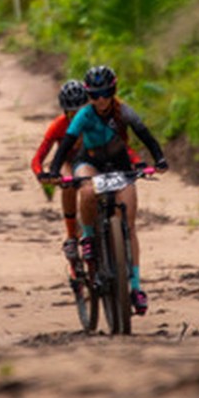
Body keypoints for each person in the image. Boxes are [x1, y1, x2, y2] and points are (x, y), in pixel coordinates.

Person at [43, 65, 169, 317]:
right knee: (87, 192)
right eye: (95, 95)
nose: (100, 100)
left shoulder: (123, 111)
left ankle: (135, 286)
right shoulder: (84, 115)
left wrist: (159, 159)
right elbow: (66, 142)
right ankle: (88, 237)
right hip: (89, 163)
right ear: (89, 96)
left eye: (105, 93)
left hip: (119, 164)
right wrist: (56, 169)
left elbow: (144, 134)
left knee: (129, 224)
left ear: (113, 91)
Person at [31, 79, 89, 279]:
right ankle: (72, 236)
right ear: (64, 111)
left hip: (93, 160)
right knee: (69, 183)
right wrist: (41, 174)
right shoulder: (58, 126)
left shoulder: (97, 120)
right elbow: (38, 158)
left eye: (79, 111)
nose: (75, 117)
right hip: (69, 162)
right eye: (71, 113)